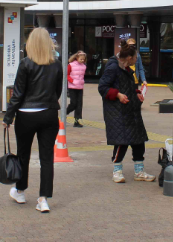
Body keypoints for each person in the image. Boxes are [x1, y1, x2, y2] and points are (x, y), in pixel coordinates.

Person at [2, 28, 63, 214]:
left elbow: (18, 93)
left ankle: (20, 191)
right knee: (47, 158)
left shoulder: (25, 64)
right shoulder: (57, 64)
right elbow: (57, 91)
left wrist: (8, 116)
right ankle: (43, 199)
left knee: (23, 155)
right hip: (49, 113)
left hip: (26, 114)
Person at [99, 43, 155, 183]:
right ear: (129, 57)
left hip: (131, 110)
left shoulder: (126, 68)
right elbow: (103, 87)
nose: (137, 60)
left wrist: (136, 93)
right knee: (121, 142)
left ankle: (139, 171)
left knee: (138, 141)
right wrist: (117, 95)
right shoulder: (113, 67)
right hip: (118, 112)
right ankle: (117, 171)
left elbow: (127, 85)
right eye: (135, 57)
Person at [65, 51, 87, 128]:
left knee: (79, 105)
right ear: (77, 58)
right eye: (81, 59)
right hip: (72, 87)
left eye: (83, 59)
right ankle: (65, 113)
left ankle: (77, 122)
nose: (82, 61)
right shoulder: (70, 65)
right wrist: (72, 81)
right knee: (73, 103)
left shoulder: (84, 66)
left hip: (80, 87)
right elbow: (67, 74)